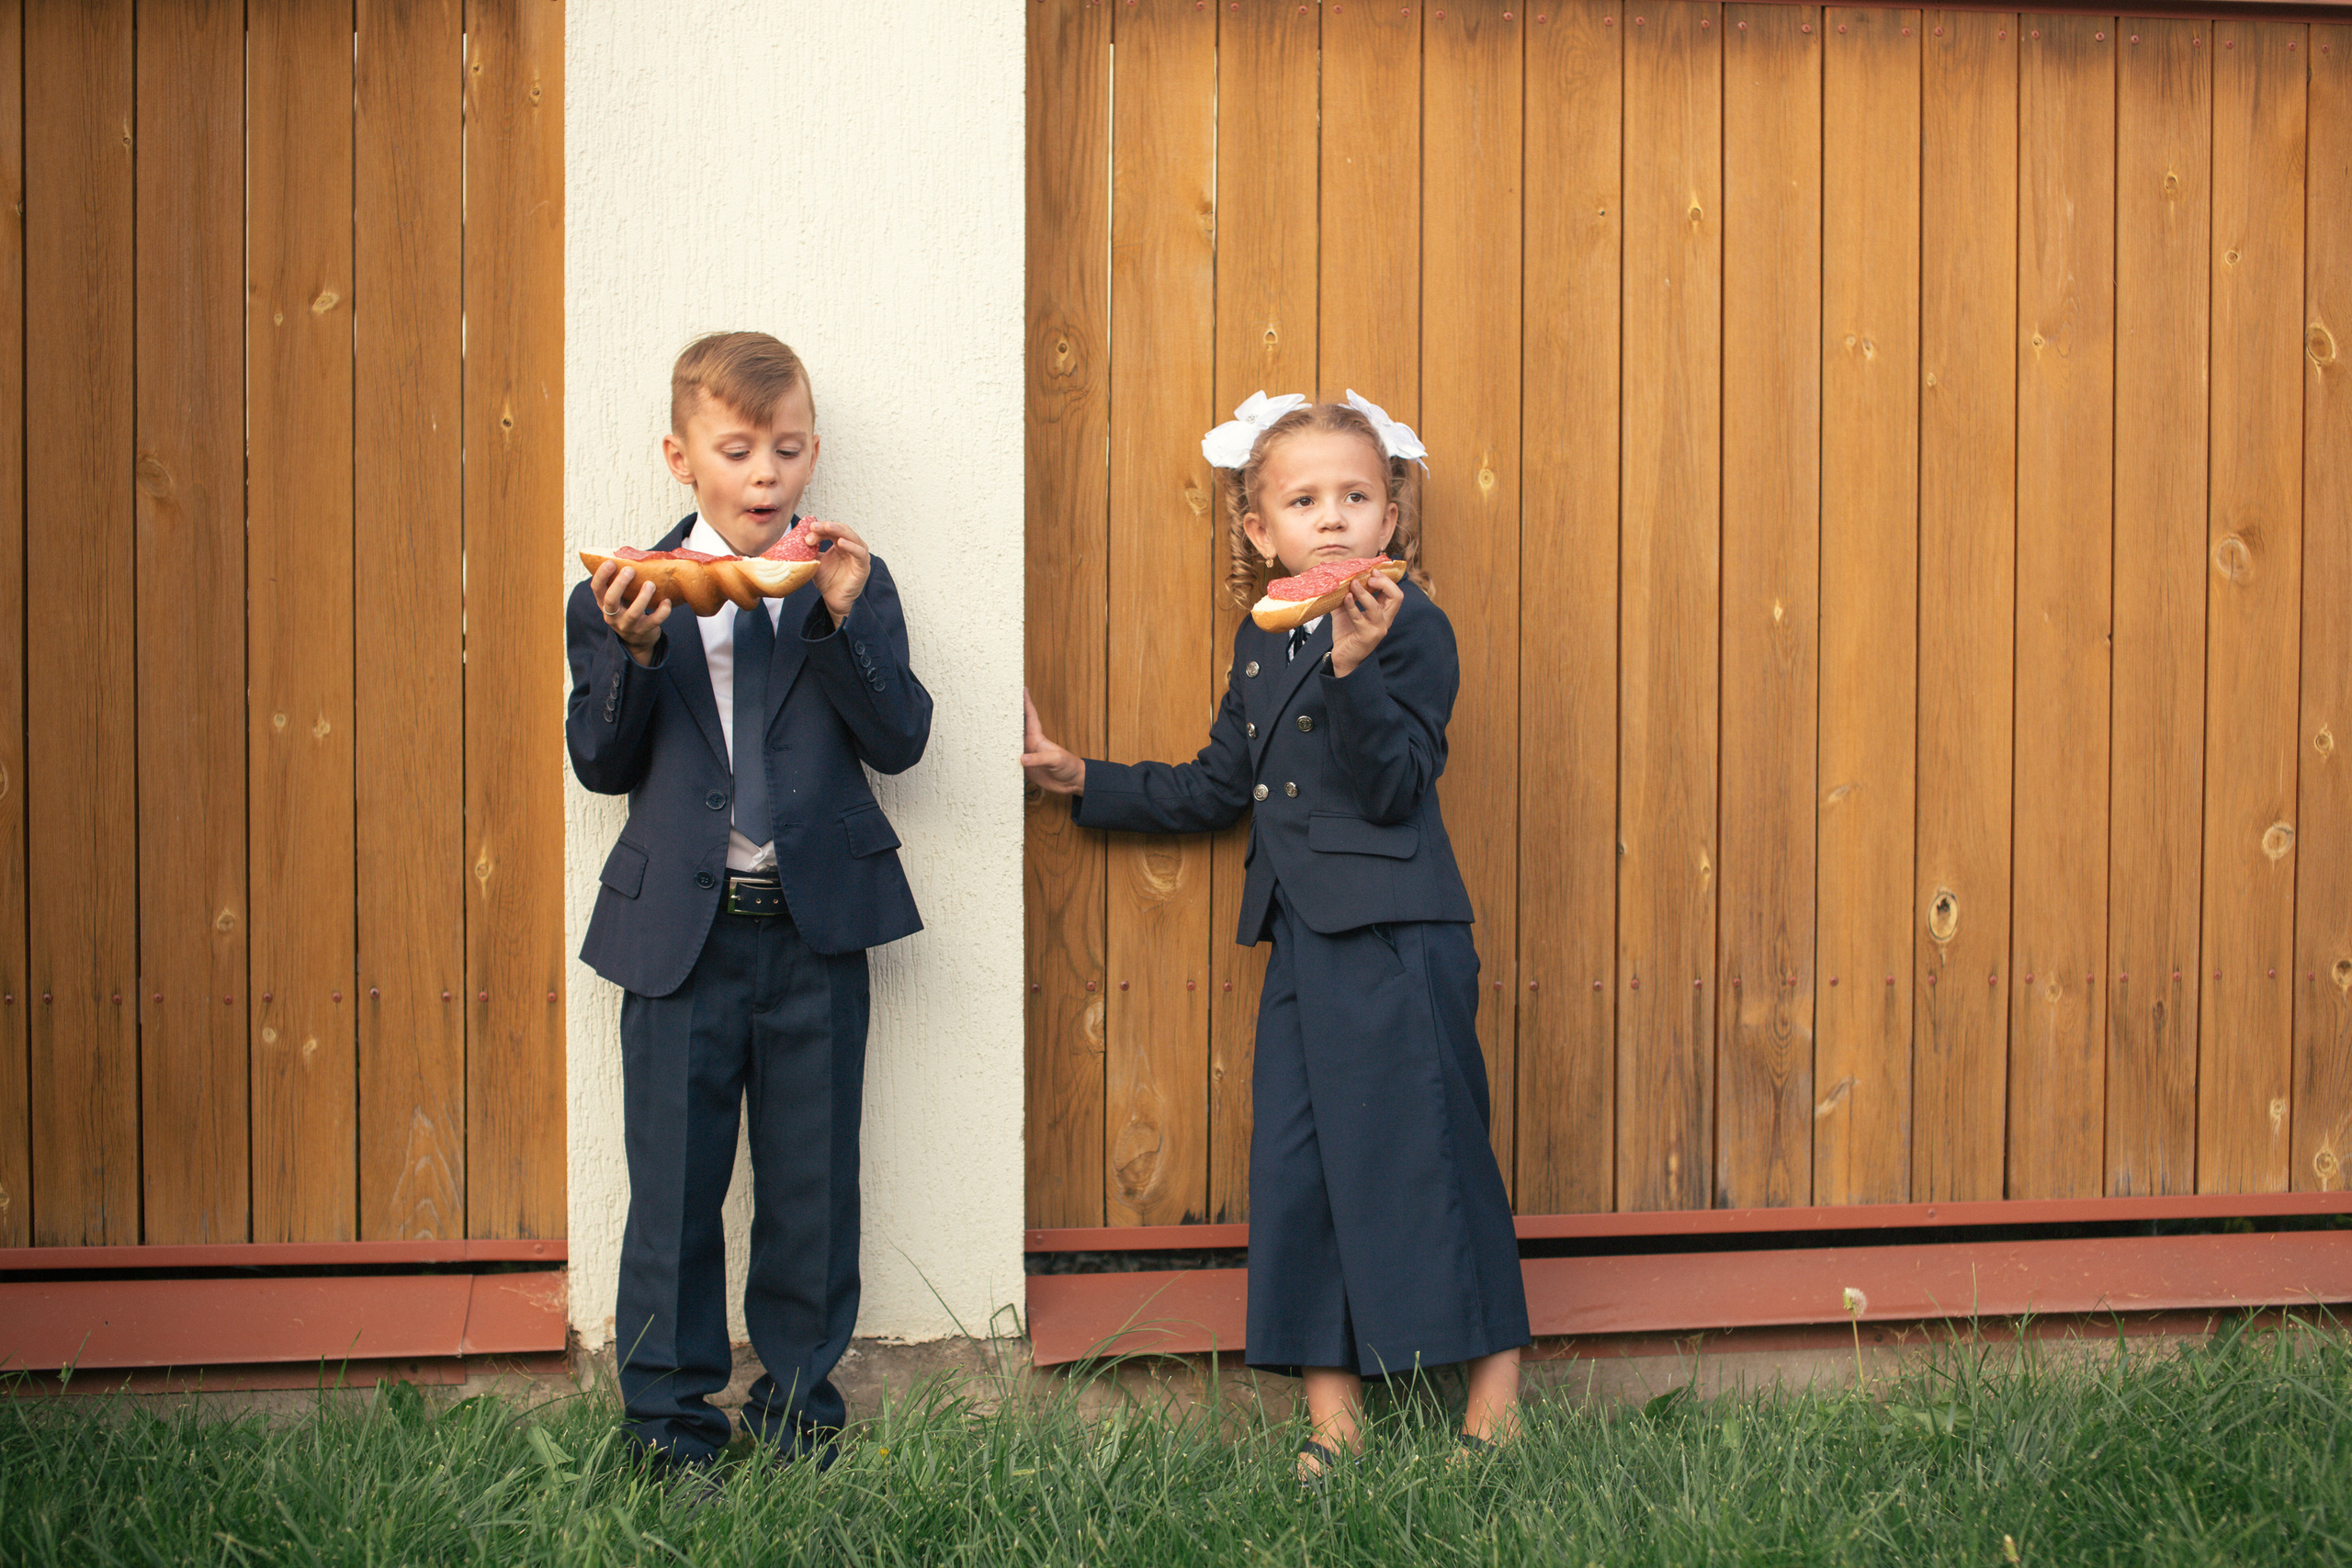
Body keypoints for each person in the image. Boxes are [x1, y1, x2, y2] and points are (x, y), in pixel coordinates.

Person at [1021, 391, 1529, 1486]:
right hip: (1303, 942)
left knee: (1432, 1158)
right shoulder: (1263, 642)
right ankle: (1333, 1420)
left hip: (1398, 937)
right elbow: (1218, 785)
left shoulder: (1408, 625)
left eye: (1356, 496)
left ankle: (1496, 1406)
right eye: (1304, 501)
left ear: (1389, 517)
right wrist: (1078, 777)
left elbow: (1395, 789)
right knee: (1301, 1173)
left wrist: (1354, 669)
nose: (1333, 519)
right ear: (1262, 534)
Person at [567, 332, 931, 1477]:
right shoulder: (617, 593)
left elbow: (902, 739)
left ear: (812, 452)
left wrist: (840, 617)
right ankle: (669, 1428)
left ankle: (799, 1420)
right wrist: (631, 651)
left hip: (815, 928)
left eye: (785, 448)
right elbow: (599, 760)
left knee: (812, 1190)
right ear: (683, 459)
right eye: (738, 449)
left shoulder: (849, 579)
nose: (765, 473)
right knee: (671, 1192)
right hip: (682, 935)